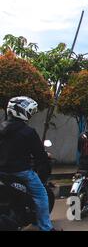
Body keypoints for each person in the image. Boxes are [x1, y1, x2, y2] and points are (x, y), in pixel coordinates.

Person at [0, 96, 55, 231]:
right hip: (21, 172)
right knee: (41, 195)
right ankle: (46, 227)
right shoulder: (28, 132)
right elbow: (39, 155)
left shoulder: (1, 128)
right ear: (22, 112)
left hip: (2, 171)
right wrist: (45, 158)